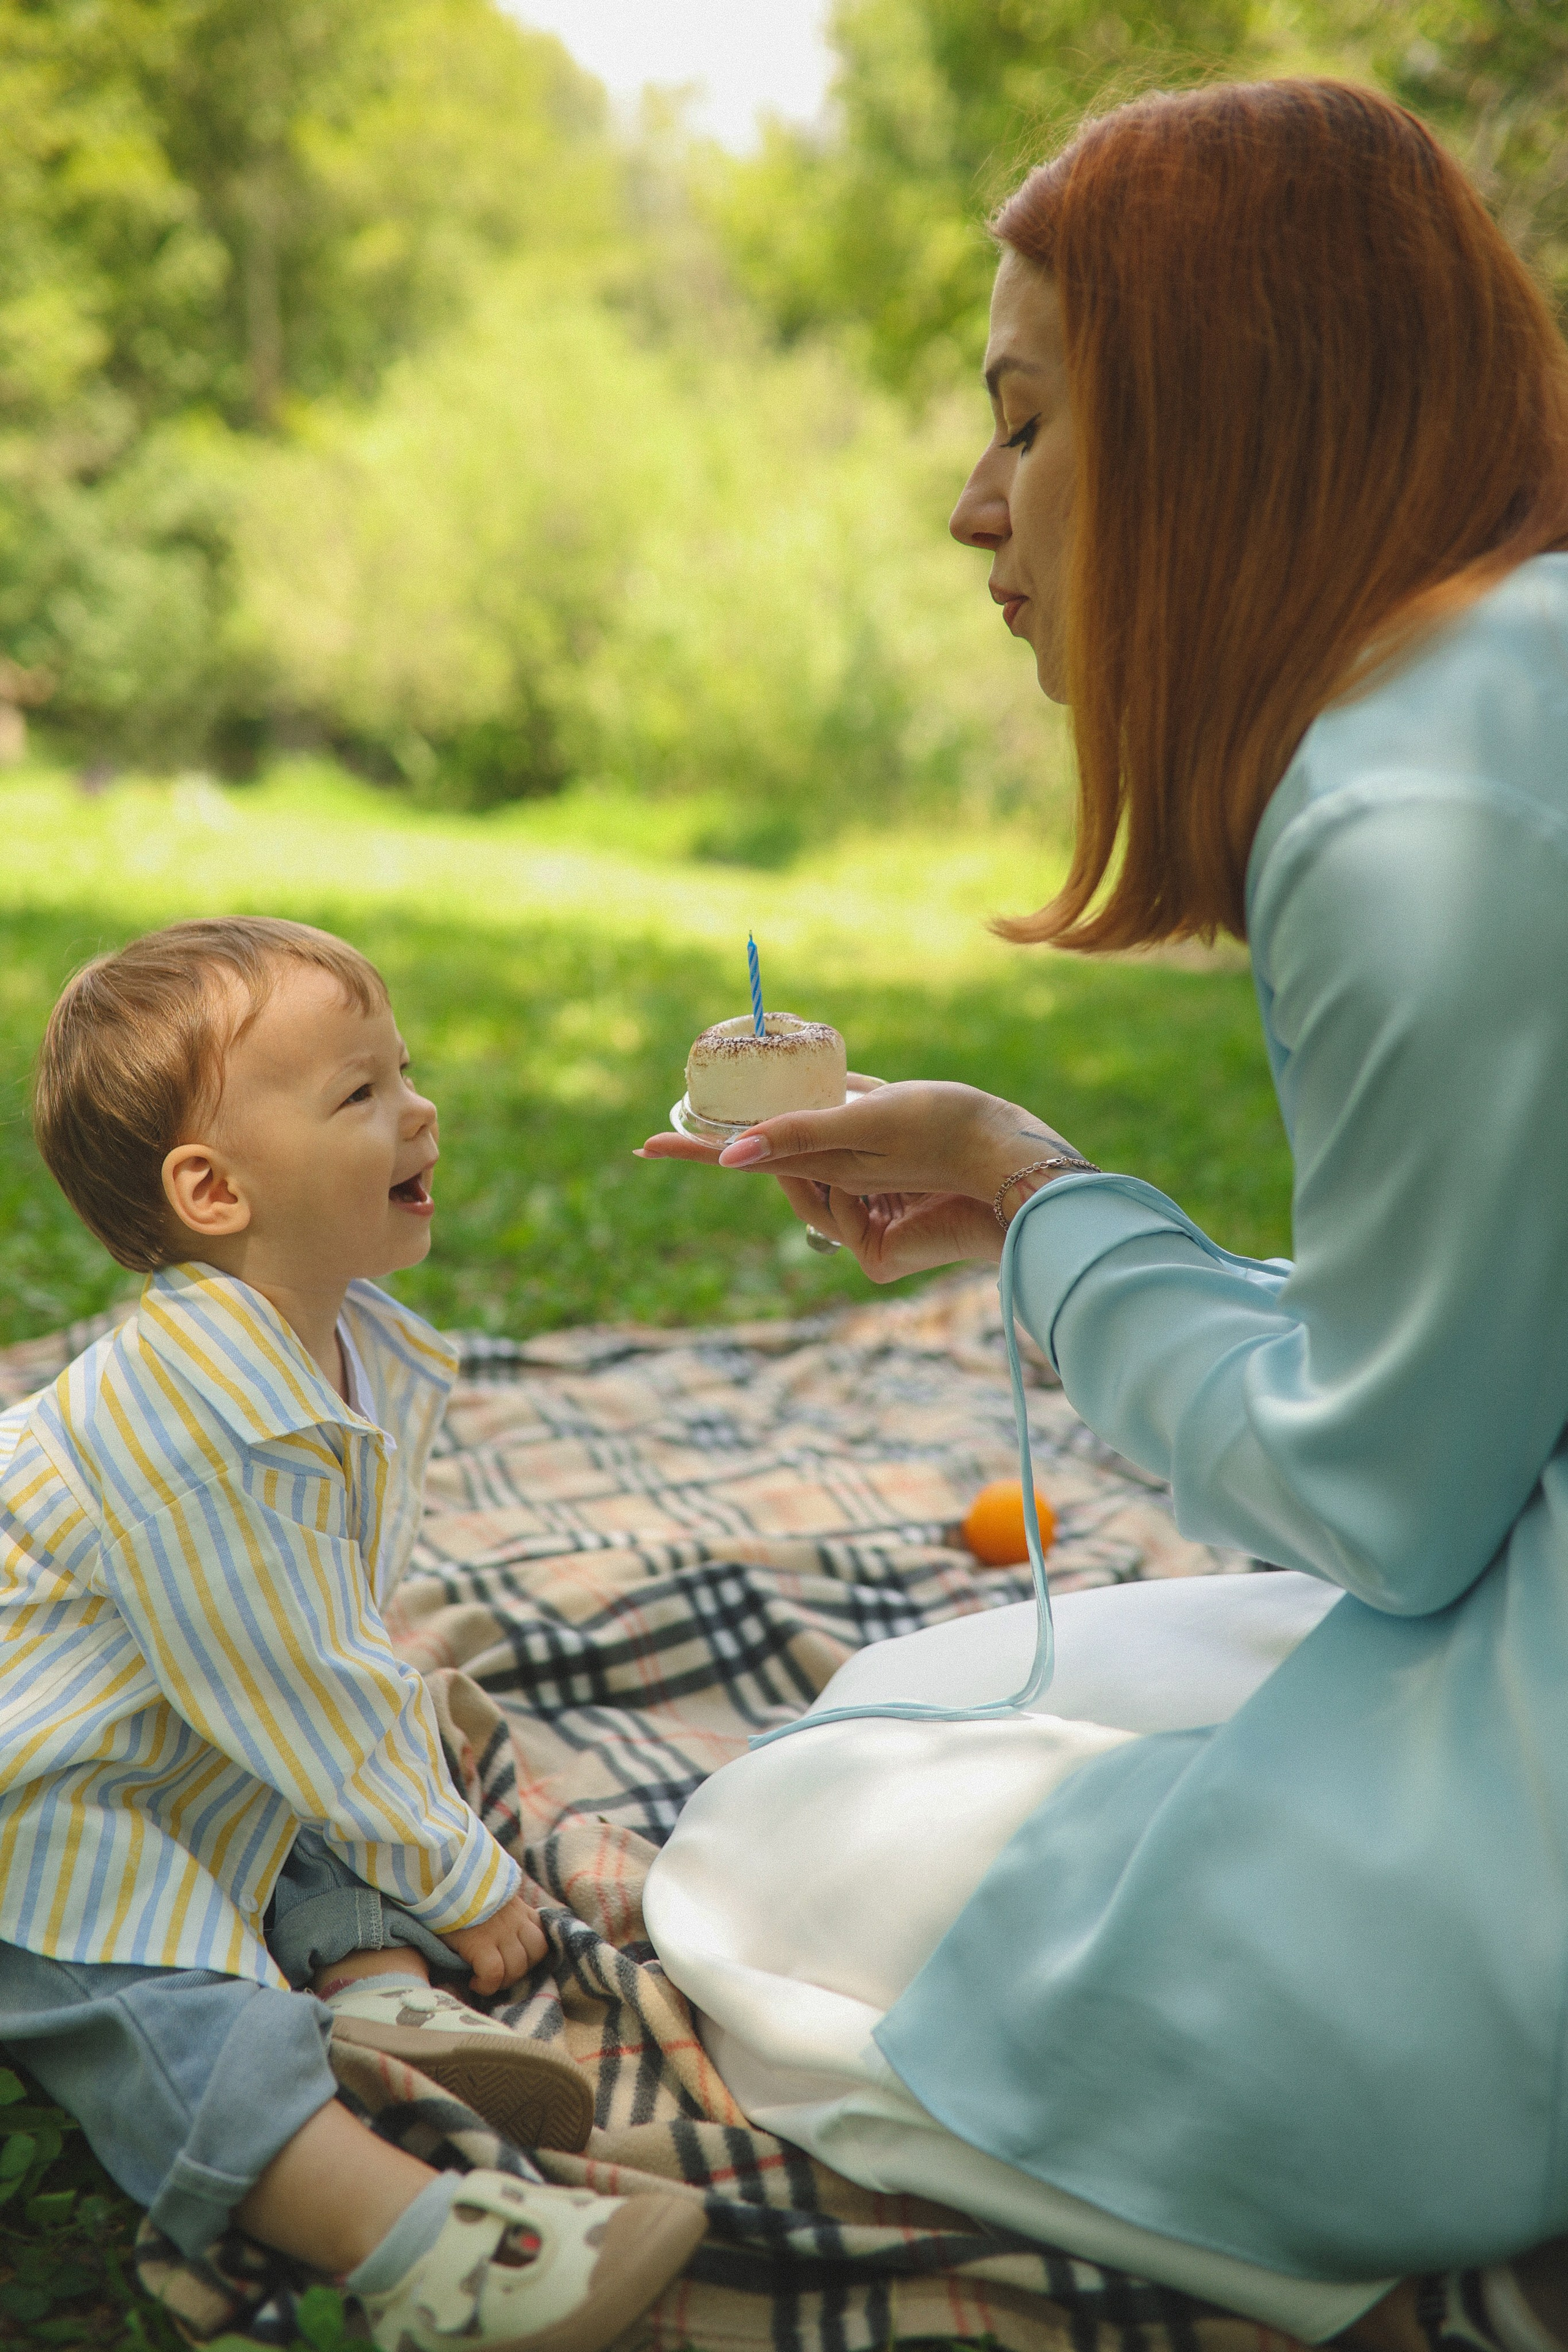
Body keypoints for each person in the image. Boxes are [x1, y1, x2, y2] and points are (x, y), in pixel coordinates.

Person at [638, 77, 1568, 2352]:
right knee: (941, 1686)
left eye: (1027, 422)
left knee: (783, 1842)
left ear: (1229, 426)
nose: (973, 510)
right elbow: (1490, 1346)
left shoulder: (1408, 807)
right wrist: (1016, 1200)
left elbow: (1385, 1495)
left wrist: (1042, 1201)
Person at [0, 918, 704, 2352]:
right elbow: (300, 1694)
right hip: (35, 1806)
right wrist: (455, 1873)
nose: (419, 1109)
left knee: (347, 1761)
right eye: (359, 1095)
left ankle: (372, 1995)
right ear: (212, 1189)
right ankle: (433, 2253)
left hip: (172, 1737)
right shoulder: (201, 1430)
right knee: (160, 2009)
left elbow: (314, 1659)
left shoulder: (338, 1335)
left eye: (405, 1071)